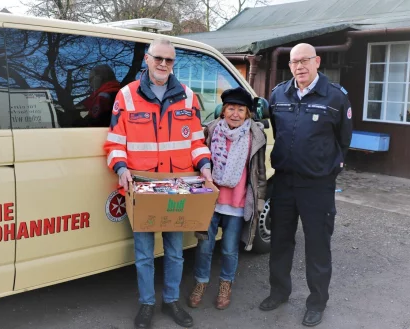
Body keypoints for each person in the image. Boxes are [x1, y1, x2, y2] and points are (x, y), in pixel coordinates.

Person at [103, 37, 212, 329]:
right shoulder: (126, 96)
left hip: (177, 186)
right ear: (147, 60)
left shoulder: (188, 97)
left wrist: (205, 165)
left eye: (169, 60)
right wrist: (121, 167)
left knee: (175, 251)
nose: (163, 64)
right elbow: (115, 143)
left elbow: (196, 141)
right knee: (143, 253)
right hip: (141, 188)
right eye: (158, 58)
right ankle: (147, 304)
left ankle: (172, 301)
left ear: (173, 63)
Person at [259, 43, 353, 327]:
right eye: (294, 62)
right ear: (289, 66)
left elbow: (344, 140)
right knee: (280, 241)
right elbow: (273, 130)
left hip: (317, 186)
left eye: (305, 61)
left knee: (317, 245)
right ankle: (279, 292)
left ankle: (317, 302)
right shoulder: (279, 95)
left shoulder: (335, 97)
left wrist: (327, 169)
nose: (299, 66)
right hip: (285, 182)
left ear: (317, 62)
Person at [187, 87, 267, 310]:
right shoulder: (211, 131)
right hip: (210, 200)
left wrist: (258, 202)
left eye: (241, 109)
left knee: (230, 248)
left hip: (238, 202)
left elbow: (259, 173)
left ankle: (225, 284)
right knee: (204, 246)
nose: (235, 113)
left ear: (247, 113)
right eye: (231, 108)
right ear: (223, 111)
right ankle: (201, 282)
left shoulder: (255, 136)